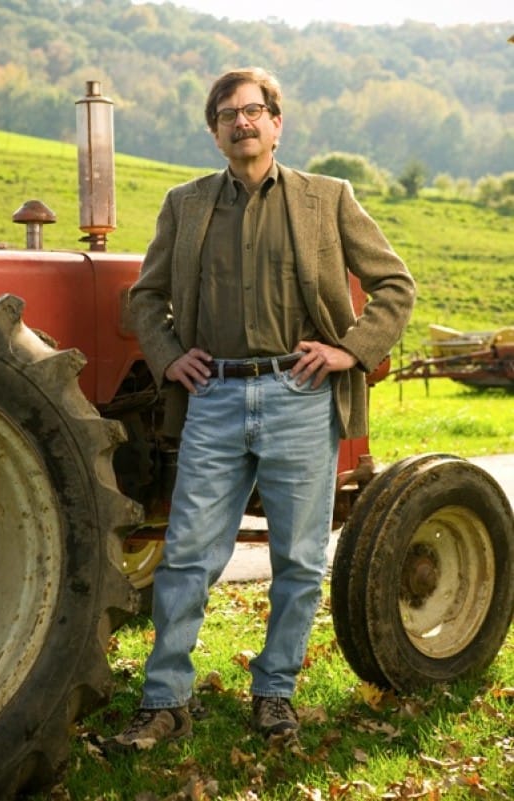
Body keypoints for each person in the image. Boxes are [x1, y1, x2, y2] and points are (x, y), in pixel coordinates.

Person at [110, 66, 415, 749]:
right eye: (227, 114)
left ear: (276, 124)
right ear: (215, 132)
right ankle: (164, 702)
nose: (241, 122)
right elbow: (145, 298)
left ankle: (274, 694)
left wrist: (350, 350)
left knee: (299, 560)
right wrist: (168, 357)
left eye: (253, 111)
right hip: (213, 396)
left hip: (299, 396)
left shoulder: (326, 198)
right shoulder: (185, 204)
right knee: (187, 555)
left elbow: (395, 284)